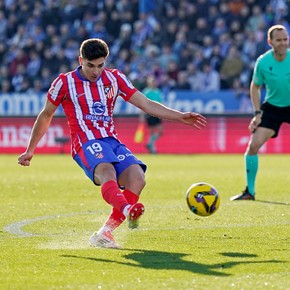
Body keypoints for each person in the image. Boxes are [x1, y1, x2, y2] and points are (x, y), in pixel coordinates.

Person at [17, 38, 207, 248]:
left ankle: (104, 234)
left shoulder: (115, 78)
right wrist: (30, 150)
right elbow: (46, 115)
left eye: (100, 65)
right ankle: (127, 211)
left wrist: (179, 116)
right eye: (90, 65)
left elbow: (145, 103)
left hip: (111, 140)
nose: (95, 71)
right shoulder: (64, 82)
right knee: (107, 171)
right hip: (85, 141)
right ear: (81, 60)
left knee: (138, 178)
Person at [230, 25, 290, 201]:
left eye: (285, 39)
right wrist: (257, 113)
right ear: (270, 42)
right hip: (272, 107)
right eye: (279, 40)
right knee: (253, 146)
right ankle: (250, 191)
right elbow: (255, 86)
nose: (283, 43)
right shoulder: (263, 62)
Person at [141, 75, 164, 153]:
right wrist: (142, 115)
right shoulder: (146, 92)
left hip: (157, 113)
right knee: (151, 131)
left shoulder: (158, 91)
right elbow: (142, 104)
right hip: (150, 113)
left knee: (160, 131)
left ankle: (149, 143)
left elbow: (161, 103)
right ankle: (152, 148)